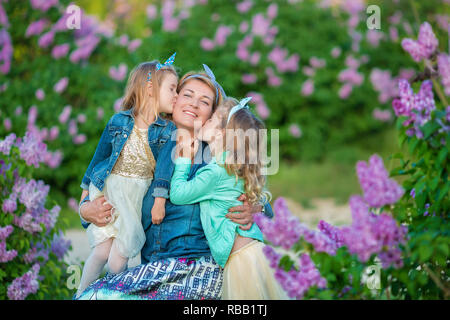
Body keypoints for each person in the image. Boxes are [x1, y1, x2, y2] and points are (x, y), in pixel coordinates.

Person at [76, 65, 274, 300]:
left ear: (211, 115)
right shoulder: (143, 151)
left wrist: (258, 208)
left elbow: (254, 192)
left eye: (204, 101)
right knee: (94, 296)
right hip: (155, 270)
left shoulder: (211, 156)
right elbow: (96, 184)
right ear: (174, 98)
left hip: (195, 268)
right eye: (187, 95)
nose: (193, 103)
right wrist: (85, 210)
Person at [75, 53, 178, 298]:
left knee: (117, 260)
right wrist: (85, 198)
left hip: (135, 197)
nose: (176, 95)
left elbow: (163, 170)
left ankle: (111, 293)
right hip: (110, 192)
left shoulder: (169, 129)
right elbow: (98, 159)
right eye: (172, 89)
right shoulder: (118, 121)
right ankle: (80, 294)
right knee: (100, 252)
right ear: (151, 88)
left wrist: (160, 199)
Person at [170, 97, 288, 299]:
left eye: (211, 119)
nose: (204, 120)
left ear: (222, 133)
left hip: (240, 260)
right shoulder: (237, 166)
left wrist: (182, 160)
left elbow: (178, 194)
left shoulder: (216, 171)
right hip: (255, 253)